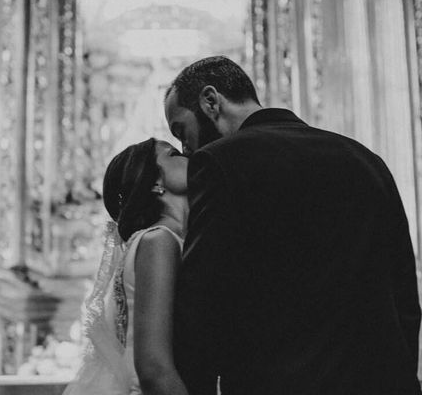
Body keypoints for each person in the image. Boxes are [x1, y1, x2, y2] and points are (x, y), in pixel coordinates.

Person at [164, 55, 421, 394]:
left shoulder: (219, 163)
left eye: (182, 131)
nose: (185, 148)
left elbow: (204, 298)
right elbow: (403, 288)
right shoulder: (364, 158)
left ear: (211, 101)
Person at [64, 138, 189, 395]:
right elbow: (154, 367)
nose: (189, 155)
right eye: (174, 154)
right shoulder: (159, 241)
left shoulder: (161, 240)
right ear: (155, 183)